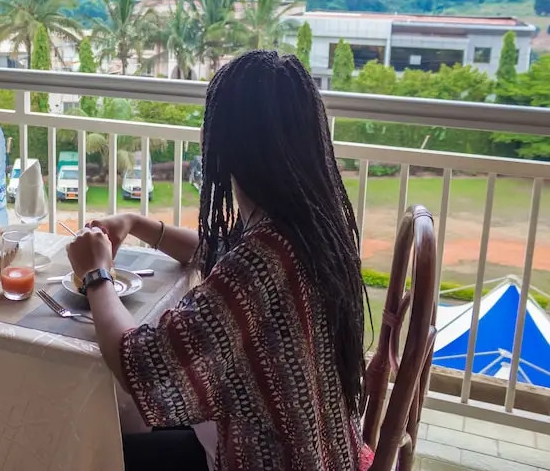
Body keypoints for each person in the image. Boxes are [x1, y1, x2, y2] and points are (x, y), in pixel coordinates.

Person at [66, 50, 373, 470]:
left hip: (268, 459)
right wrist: (138, 223)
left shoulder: (262, 260)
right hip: (322, 451)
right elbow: (221, 253)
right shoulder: (309, 227)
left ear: (226, 148)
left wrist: (96, 275)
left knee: (86, 446)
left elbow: (144, 368)